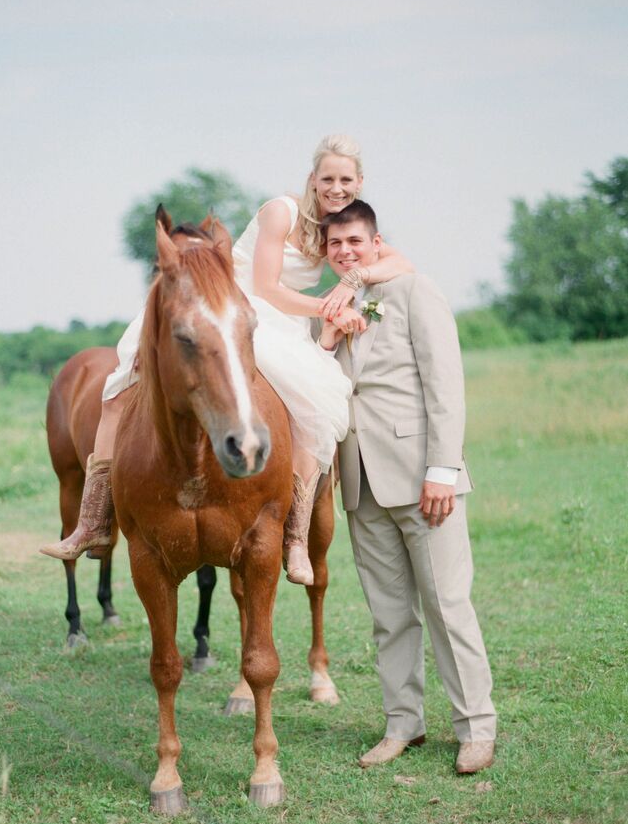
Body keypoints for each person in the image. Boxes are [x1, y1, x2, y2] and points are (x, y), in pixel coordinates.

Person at [41, 136, 411, 581]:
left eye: (346, 179)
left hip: (281, 323)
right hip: (227, 304)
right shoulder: (283, 211)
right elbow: (267, 288)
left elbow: (399, 263)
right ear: (312, 179)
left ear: (359, 182)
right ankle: (92, 521)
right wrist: (330, 307)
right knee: (120, 385)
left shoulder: (344, 226)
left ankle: (295, 538)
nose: (336, 187)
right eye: (327, 177)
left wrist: (354, 278)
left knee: (315, 412)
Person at [318, 199, 497, 775]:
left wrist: (443, 468)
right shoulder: (327, 312)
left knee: (447, 606)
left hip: (423, 477)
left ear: (375, 243)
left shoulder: (416, 292)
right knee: (389, 613)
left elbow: (445, 382)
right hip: (360, 482)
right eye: (334, 244)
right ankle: (403, 725)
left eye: (355, 241)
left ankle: (475, 727)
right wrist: (324, 337)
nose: (345, 251)